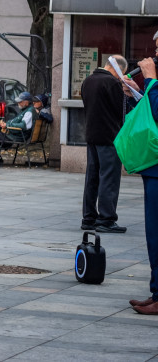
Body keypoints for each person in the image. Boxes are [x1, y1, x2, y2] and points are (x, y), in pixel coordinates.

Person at [76, 57, 128, 233]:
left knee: (92, 177)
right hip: (109, 137)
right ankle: (106, 219)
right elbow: (123, 110)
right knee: (109, 178)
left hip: (91, 135)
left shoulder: (88, 81)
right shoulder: (112, 83)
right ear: (119, 70)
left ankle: (88, 218)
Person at [128, 57, 158, 315]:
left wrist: (149, 79)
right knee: (153, 235)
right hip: (153, 167)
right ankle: (156, 292)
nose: (153, 56)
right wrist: (137, 92)